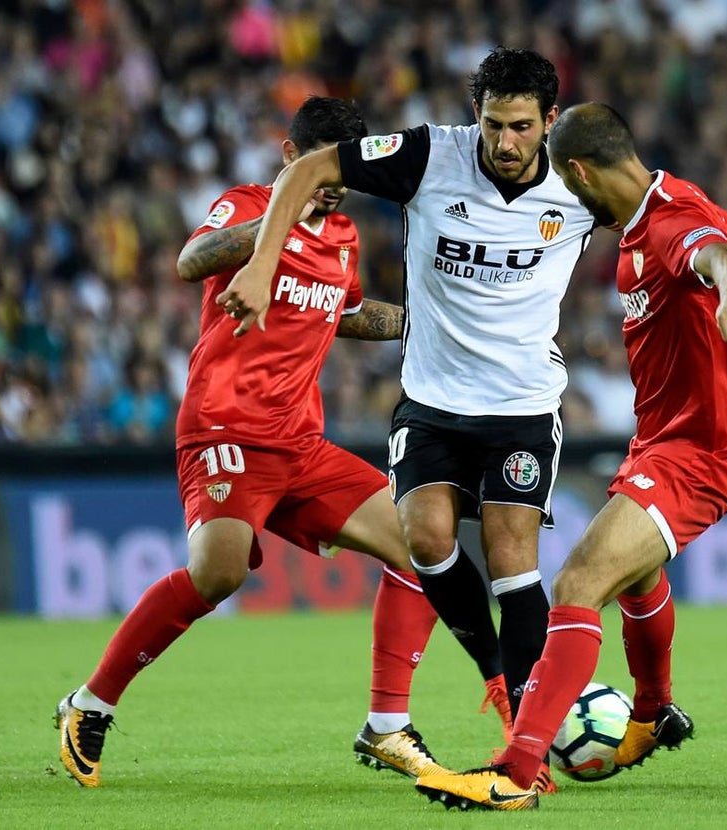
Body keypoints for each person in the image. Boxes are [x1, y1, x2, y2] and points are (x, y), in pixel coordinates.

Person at [217, 49, 727, 796]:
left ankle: (524, 736)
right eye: (492, 124)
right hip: (432, 397)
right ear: (474, 114)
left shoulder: (582, 184)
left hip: (522, 406)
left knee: (521, 560)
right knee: (426, 540)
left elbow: (701, 236)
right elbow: (309, 169)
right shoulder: (427, 156)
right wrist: (260, 262)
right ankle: (573, 692)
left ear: (550, 126)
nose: (505, 142)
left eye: (521, 127)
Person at [53, 96, 511, 789]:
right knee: (220, 575)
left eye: (343, 180)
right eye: (322, 176)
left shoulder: (345, 237)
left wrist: (428, 323)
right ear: (291, 158)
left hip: (300, 442)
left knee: (423, 546)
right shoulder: (244, 205)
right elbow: (191, 259)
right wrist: (276, 227)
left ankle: (386, 726)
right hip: (226, 426)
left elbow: (347, 314)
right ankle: (89, 704)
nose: (333, 191)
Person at [414, 101, 727, 811]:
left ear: (579, 170)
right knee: (636, 577)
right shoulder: (662, 199)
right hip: (661, 437)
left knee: (575, 587)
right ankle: (654, 712)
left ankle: (516, 769)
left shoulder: (667, 226)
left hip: (701, 450)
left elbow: (717, 255)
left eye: (564, 182)